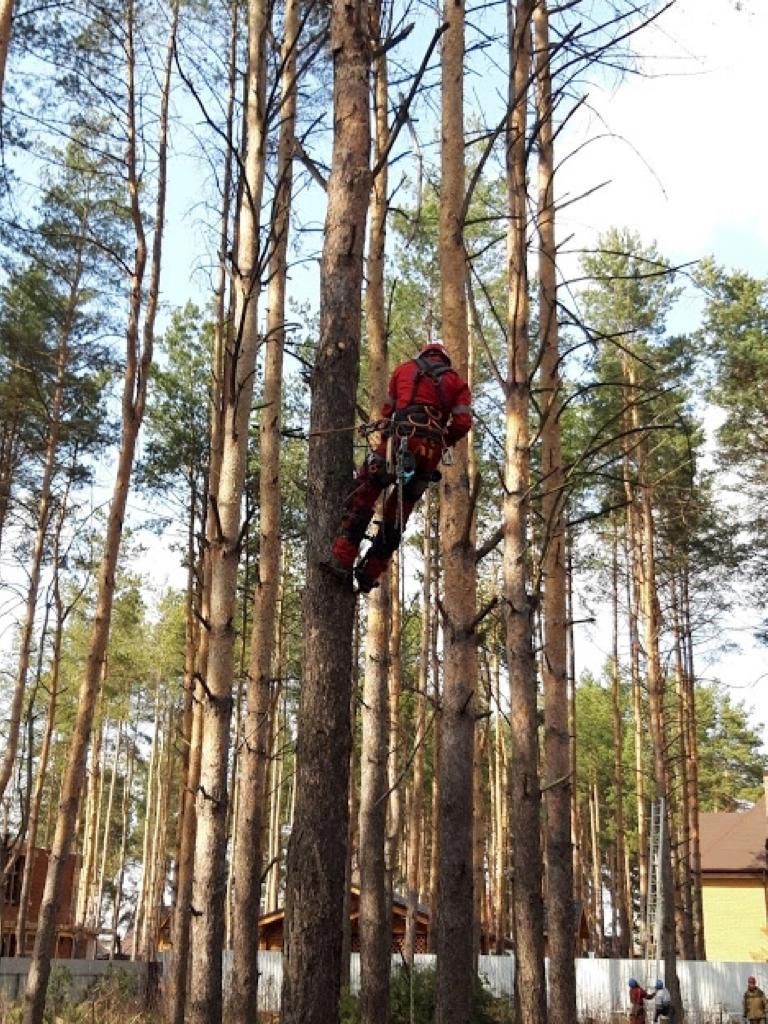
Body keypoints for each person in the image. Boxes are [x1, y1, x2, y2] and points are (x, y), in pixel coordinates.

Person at [324, 342, 472, 593]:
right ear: (444, 360)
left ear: (423, 355)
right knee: (398, 515)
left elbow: (388, 411)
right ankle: (369, 574)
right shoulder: (457, 383)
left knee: (366, 490)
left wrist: (386, 446)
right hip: (430, 452)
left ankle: (342, 557)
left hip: (401, 439)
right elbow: (462, 423)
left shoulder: (404, 370)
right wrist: (442, 441)